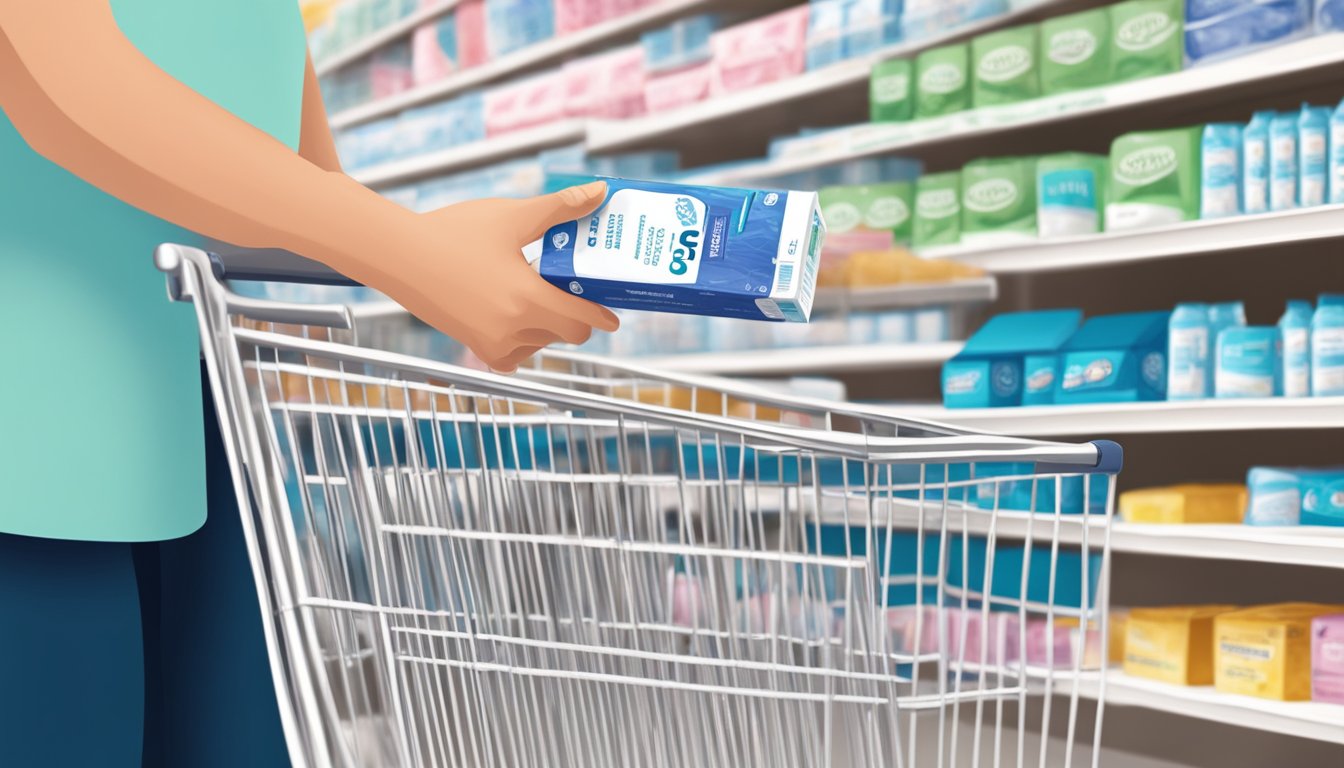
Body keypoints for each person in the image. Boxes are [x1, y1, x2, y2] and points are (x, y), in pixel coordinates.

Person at [0, 2, 617, 766]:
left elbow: (300, 190)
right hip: (29, 441)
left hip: (194, 423)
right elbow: (64, 85)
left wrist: (445, 248)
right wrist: (418, 260)